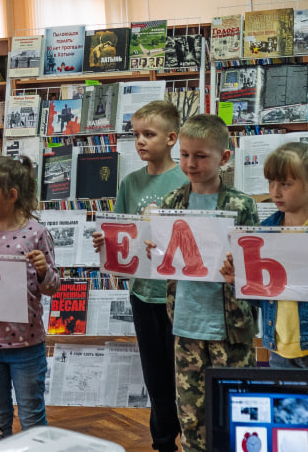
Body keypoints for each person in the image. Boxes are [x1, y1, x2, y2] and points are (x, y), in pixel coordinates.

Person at [157, 114, 259, 452]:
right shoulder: (171, 203)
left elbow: (254, 268)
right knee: (191, 418)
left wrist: (238, 271)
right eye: (185, 154)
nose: (190, 163)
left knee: (239, 412)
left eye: (200, 156)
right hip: (186, 325)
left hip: (231, 327)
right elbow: (160, 257)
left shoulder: (241, 205)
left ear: (224, 157)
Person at [90, 99, 185, 452]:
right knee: (155, 375)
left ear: (171, 138)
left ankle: (191, 436)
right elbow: (120, 229)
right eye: (136, 135)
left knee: (182, 372)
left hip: (179, 295)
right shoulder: (130, 183)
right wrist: (105, 240)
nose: (141, 141)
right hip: (143, 293)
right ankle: (163, 442)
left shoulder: (185, 179)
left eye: (149, 134)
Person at [222, 140, 308, 371]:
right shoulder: (264, 233)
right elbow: (265, 297)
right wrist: (237, 281)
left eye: (285, 184)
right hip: (279, 355)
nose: (275, 192)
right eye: (271, 183)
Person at [0, 155, 60, 442]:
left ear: (11, 195)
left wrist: (43, 271)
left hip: (27, 346)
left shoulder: (37, 233)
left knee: (32, 419)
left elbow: (53, 287)